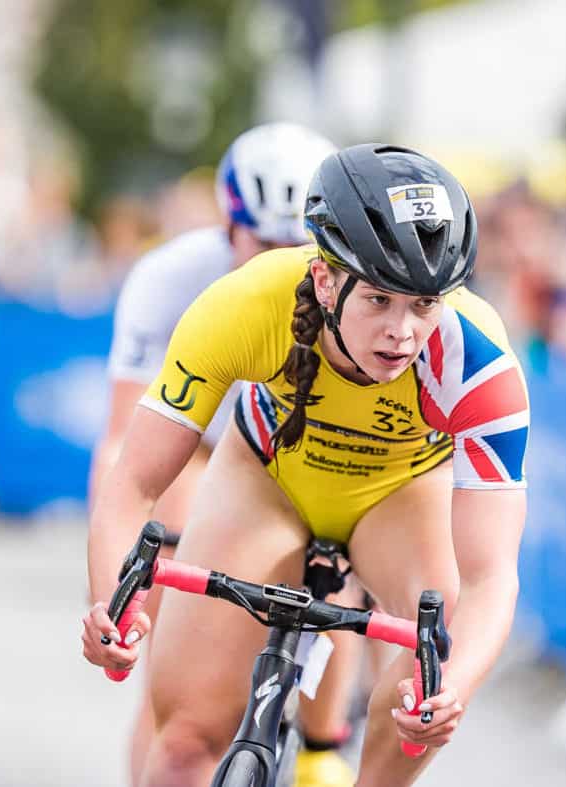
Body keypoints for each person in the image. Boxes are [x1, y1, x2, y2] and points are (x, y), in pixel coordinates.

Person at [82, 144, 530, 785]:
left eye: (424, 305)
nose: (403, 332)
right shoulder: (243, 305)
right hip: (270, 478)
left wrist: (449, 691)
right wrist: (111, 605)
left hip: (400, 495)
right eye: (379, 299)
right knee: (183, 743)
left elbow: (492, 580)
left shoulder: (479, 363)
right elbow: (134, 485)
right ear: (324, 281)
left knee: (433, 652)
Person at [88, 122, 355, 786]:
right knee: (172, 656)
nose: (279, 259)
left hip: (307, 455)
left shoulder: (344, 294)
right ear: (230, 227)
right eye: (263, 242)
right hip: (205, 449)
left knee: (342, 561)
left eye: (296, 245)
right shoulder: (171, 277)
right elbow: (127, 439)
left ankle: (324, 744)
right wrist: (117, 583)